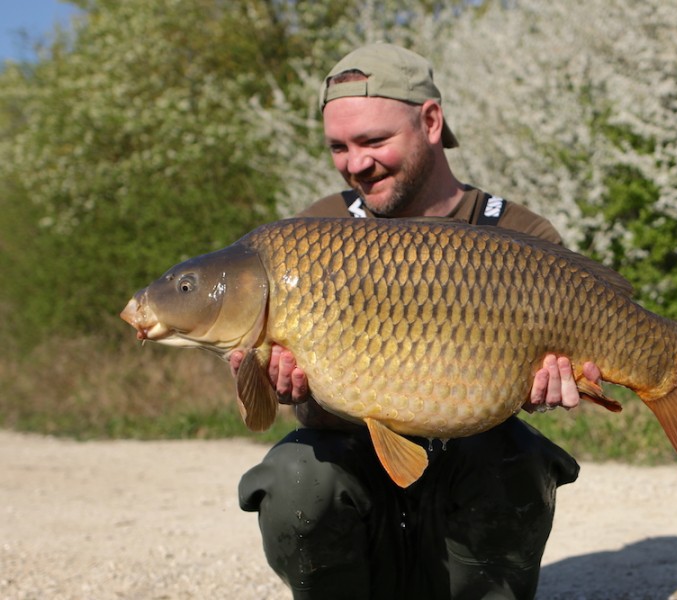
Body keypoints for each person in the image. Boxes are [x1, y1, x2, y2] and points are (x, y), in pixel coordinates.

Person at [232, 43, 600, 600]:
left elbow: (539, 386)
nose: (357, 163)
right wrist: (293, 393)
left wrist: (545, 388)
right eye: (339, 146)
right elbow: (291, 408)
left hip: (466, 482)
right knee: (294, 475)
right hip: (366, 493)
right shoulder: (315, 234)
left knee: (516, 458)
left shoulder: (519, 235)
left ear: (431, 121)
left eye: (374, 141)